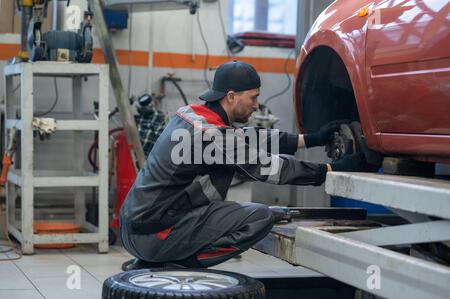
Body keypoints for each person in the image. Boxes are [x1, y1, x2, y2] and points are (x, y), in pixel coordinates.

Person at [120, 61, 368, 270]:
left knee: (252, 208)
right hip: (154, 233)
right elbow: (271, 168)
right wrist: (330, 170)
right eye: (253, 97)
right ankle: (172, 262)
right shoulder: (211, 136)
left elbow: (249, 137)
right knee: (259, 218)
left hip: (136, 227)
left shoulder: (191, 116)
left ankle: (155, 257)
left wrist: (311, 139)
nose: (256, 105)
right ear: (231, 96)